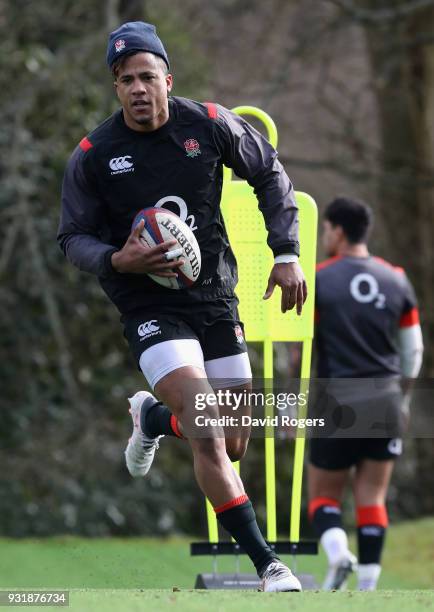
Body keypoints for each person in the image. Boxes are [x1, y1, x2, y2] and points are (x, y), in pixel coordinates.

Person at [58, 21, 307, 591]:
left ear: (168, 79)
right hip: (147, 305)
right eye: (126, 80)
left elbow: (269, 171)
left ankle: (151, 418)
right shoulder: (94, 155)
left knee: (234, 438)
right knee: (207, 428)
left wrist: (286, 252)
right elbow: (72, 237)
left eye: (148, 76)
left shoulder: (211, 124)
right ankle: (269, 564)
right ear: (115, 88)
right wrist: (119, 260)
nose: (139, 89)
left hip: (215, 297)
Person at [308, 197, 423, 591]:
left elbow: (300, 351)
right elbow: (414, 351)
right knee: (372, 496)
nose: (326, 236)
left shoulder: (320, 279)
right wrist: (402, 399)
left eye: (326, 229)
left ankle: (340, 556)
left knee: (323, 497)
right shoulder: (397, 279)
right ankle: (369, 589)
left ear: (338, 231)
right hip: (386, 399)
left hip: (337, 399)